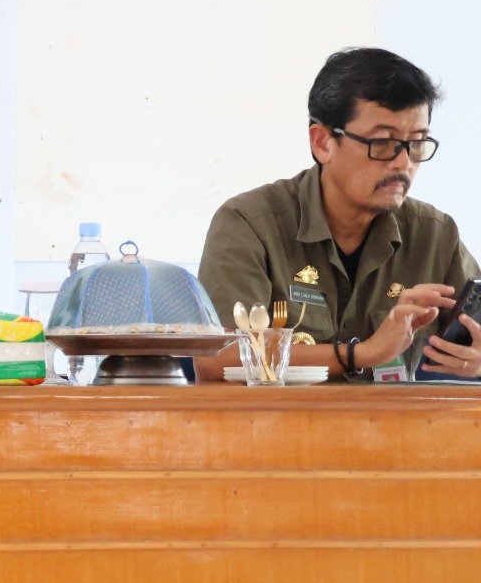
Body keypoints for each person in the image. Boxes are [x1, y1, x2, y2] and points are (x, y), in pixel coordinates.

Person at [196, 47, 479, 382]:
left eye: (417, 143)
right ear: (322, 142)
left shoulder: (434, 234)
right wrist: (363, 353)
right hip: (276, 431)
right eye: (383, 143)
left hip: (393, 432)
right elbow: (217, 358)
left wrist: (475, 361)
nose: (404, 163)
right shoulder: (249, 223)